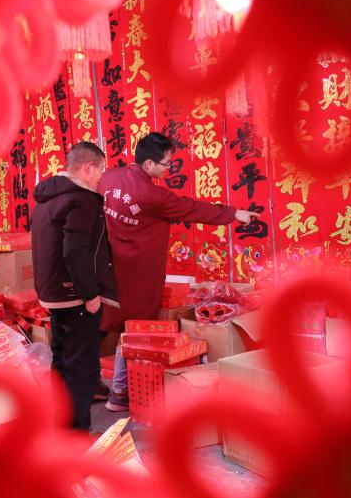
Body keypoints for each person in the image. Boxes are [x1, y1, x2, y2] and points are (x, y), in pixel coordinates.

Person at [99, 132, 254, 411]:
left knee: (105, 323)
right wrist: (234, 214)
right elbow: (190, 209)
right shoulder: (151, 194)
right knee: (135, 329)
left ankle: (94, 388)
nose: (169, 169)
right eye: (166, 164)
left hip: (108, 267)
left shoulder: (108, 178)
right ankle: (119, 394)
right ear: (149, 164)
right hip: (139, 272)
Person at [31, 141, 118, 431]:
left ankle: (61, 426)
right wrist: (90, 293)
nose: (100, 178)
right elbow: (74, 250)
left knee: (61, 362)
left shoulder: (48, 196)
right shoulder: (81, 199)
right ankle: (76, 436)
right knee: (82, 370)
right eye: (101, 170)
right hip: (75, 296)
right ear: (88, 167)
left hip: (53, 294)